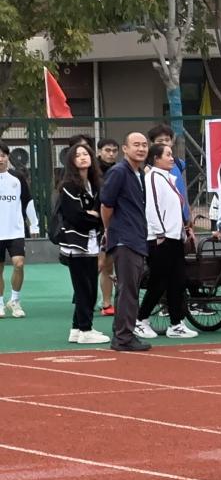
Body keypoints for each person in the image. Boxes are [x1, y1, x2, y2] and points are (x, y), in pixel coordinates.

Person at [136, 142, 198, 340]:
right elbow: (152, 207)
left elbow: (173, 209)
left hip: (174, 238)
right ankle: (140, 320)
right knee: (159, 282)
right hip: (160, 240)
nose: (172, 158)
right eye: (168, 155)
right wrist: (160, 234)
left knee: (177, 282)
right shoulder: (153, 177)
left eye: (172, 155)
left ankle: (176, 324)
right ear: (156, 159)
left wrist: (183, 230)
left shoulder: (168, 178)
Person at [100, 132, 152, 351]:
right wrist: (108, 229)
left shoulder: (138, 173)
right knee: (128, 290)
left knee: (129, 289)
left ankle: (123, 334)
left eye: (144, 145)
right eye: (136, 145)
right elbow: (106, 204)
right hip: (125, 239)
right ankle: (123, 337)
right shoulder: (119, 172)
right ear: (125, 149)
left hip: (136, 237)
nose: (141, 149)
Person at [56, 143, 109, 344]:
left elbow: (100, 210)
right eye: (77, 155)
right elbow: (75, 216)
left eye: (85, 154)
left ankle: (77, 328)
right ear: (71, 161)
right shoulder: (68, 186)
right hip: (76, 244)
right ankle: (86, 329)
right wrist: (93, 216)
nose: (82, 157)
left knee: (89, 287)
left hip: (92, 243)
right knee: (84, 289)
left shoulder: (95, 184)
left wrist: (93, 214)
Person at [0, 141, 39, 320]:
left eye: (3, 155)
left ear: (8, 157)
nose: (0, 159)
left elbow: (27, 201)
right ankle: (0, 303)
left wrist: (34, 224)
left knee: (19, 264)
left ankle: (15, 300)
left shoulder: (17, 178)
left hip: (15, 231)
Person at [148, 124, 191, 226]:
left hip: (182, 216)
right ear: (152, 144)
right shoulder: (149, 169)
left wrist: (188, 213)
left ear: (172, 142)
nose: (164, 143)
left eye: (167, 140)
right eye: (160, 141)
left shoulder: (179, 164)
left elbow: (181, 191)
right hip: (167, 221)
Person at [97, 138, 119, 315]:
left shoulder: (121, 170)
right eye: (107, 150)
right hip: (96, 225)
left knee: (113, 264)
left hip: (118, 223)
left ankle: (110, 303)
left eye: (114, 151)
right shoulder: (92, 171)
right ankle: (103, 302)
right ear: (99, 152)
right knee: (102, 264)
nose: (111, 154)